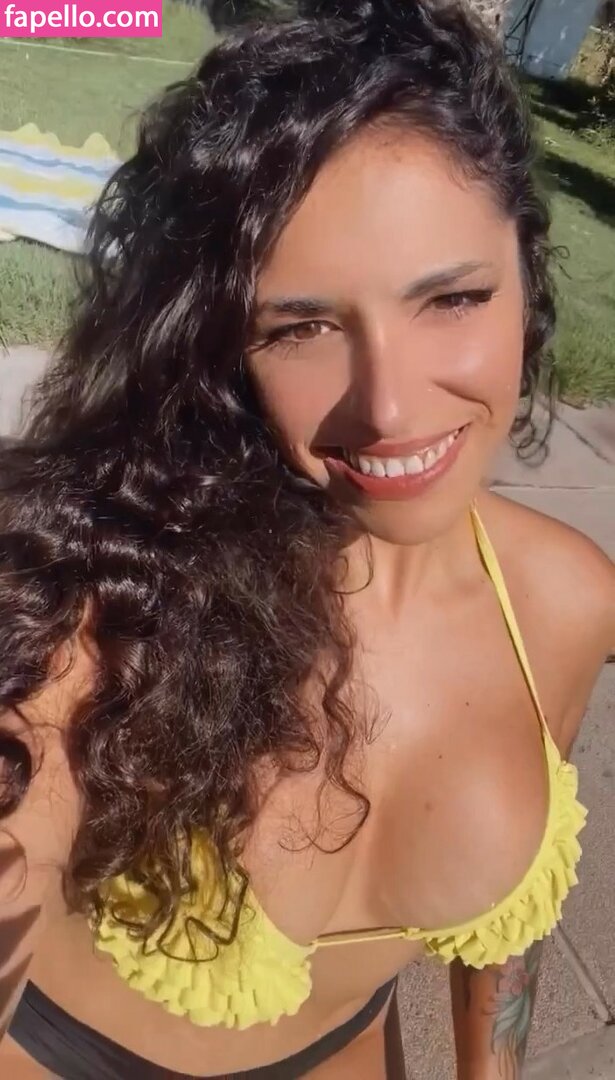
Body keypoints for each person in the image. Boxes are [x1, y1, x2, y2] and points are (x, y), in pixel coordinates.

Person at [0, 2, 613, 1077]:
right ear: (219, 344)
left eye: (452, 298)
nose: (389, 409)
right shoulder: (103, 602)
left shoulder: (565, 604)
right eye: (303, 327)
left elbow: (509, 928)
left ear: (527, 273)